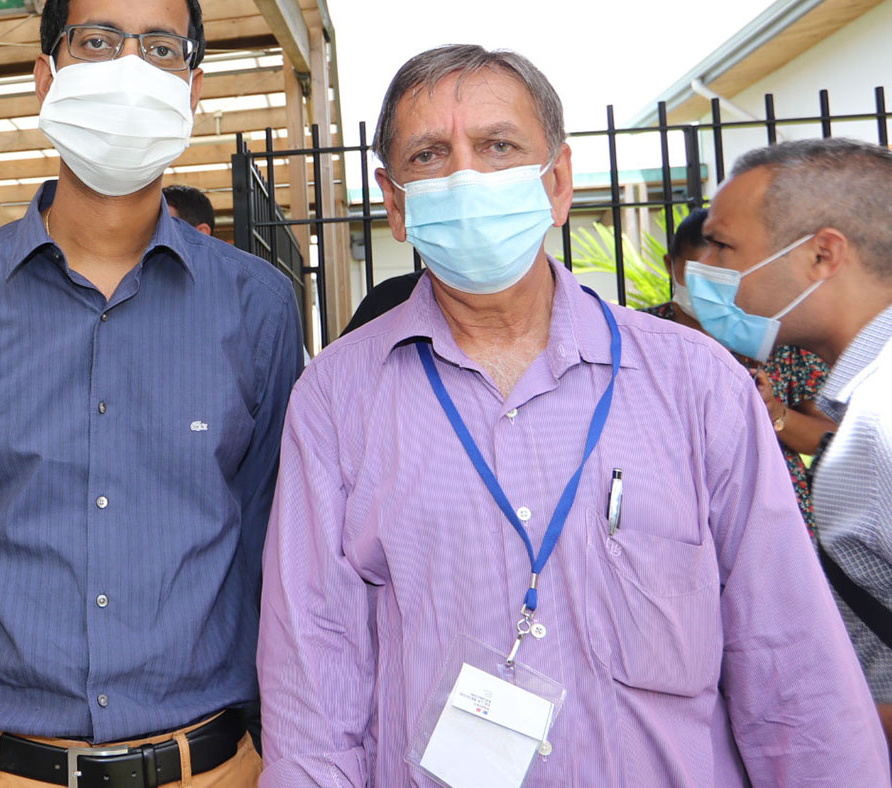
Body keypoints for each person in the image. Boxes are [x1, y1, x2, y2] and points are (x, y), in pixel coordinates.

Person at [256, 45, 888, 786]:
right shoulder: (336, 400)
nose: (467, 175)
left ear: (557, 182)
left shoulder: (696, 385)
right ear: (394, 202)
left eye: (499, 146)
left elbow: (793, 671)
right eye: (430, 155)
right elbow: (313, 687)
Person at [0, 0, 302, 788]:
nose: (128, 68)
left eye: (160, 48)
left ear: (191, 89)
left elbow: (267, 534)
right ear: (47, 79)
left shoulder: (256, 304)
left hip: (205, 765)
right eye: (98, 41)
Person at [692, 137, 892, 743]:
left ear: (822, 255)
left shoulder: (881, 419)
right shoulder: (861, 404)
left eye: (724, 245)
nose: (705, 269)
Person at [643, 207, 834, 533]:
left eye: (726, 272)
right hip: (668, 521)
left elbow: (827, 436)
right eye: (701, 274)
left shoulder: (774, 339)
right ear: (669, 266)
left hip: (775, 522)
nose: (712, 289)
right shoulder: (637, 336)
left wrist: (776, 414)